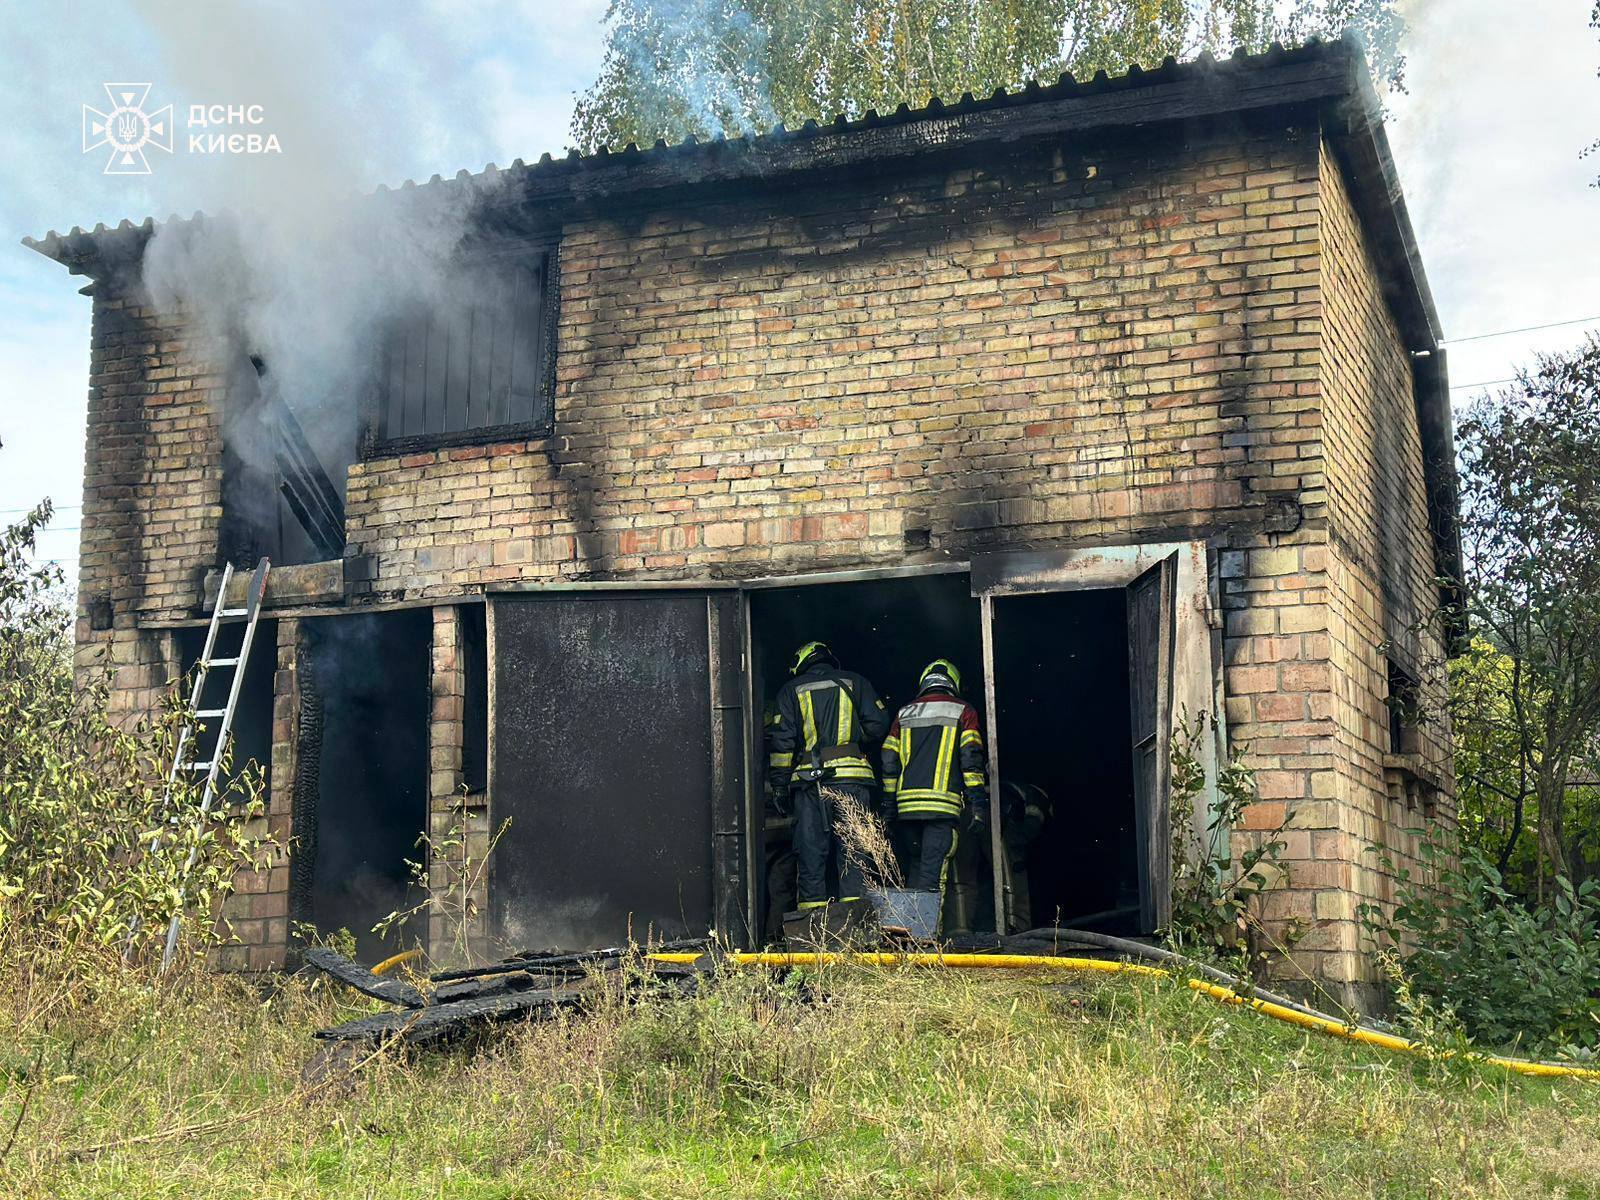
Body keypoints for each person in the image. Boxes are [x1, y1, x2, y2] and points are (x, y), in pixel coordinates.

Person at [766, 640, 888, 928]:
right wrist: (849, 741)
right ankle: (855, 935)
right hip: (853, 780)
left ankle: (812, 936)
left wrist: (781, 785)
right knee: (854, 855)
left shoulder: (790, 690)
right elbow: (878, 725)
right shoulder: (856, 682)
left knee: (810, 856)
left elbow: (782, 743)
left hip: (809, 786)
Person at [880, 659, 987, 925]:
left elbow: (888, 760)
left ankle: (908, 937)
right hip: (941, 808)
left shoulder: (904, 713)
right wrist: (977, 805)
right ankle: (926, 943)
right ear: (953, 683)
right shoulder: (964, 711)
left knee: (915, 870)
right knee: (932, 875)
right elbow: (971, 760)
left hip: (907, 809)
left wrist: (890, 807)